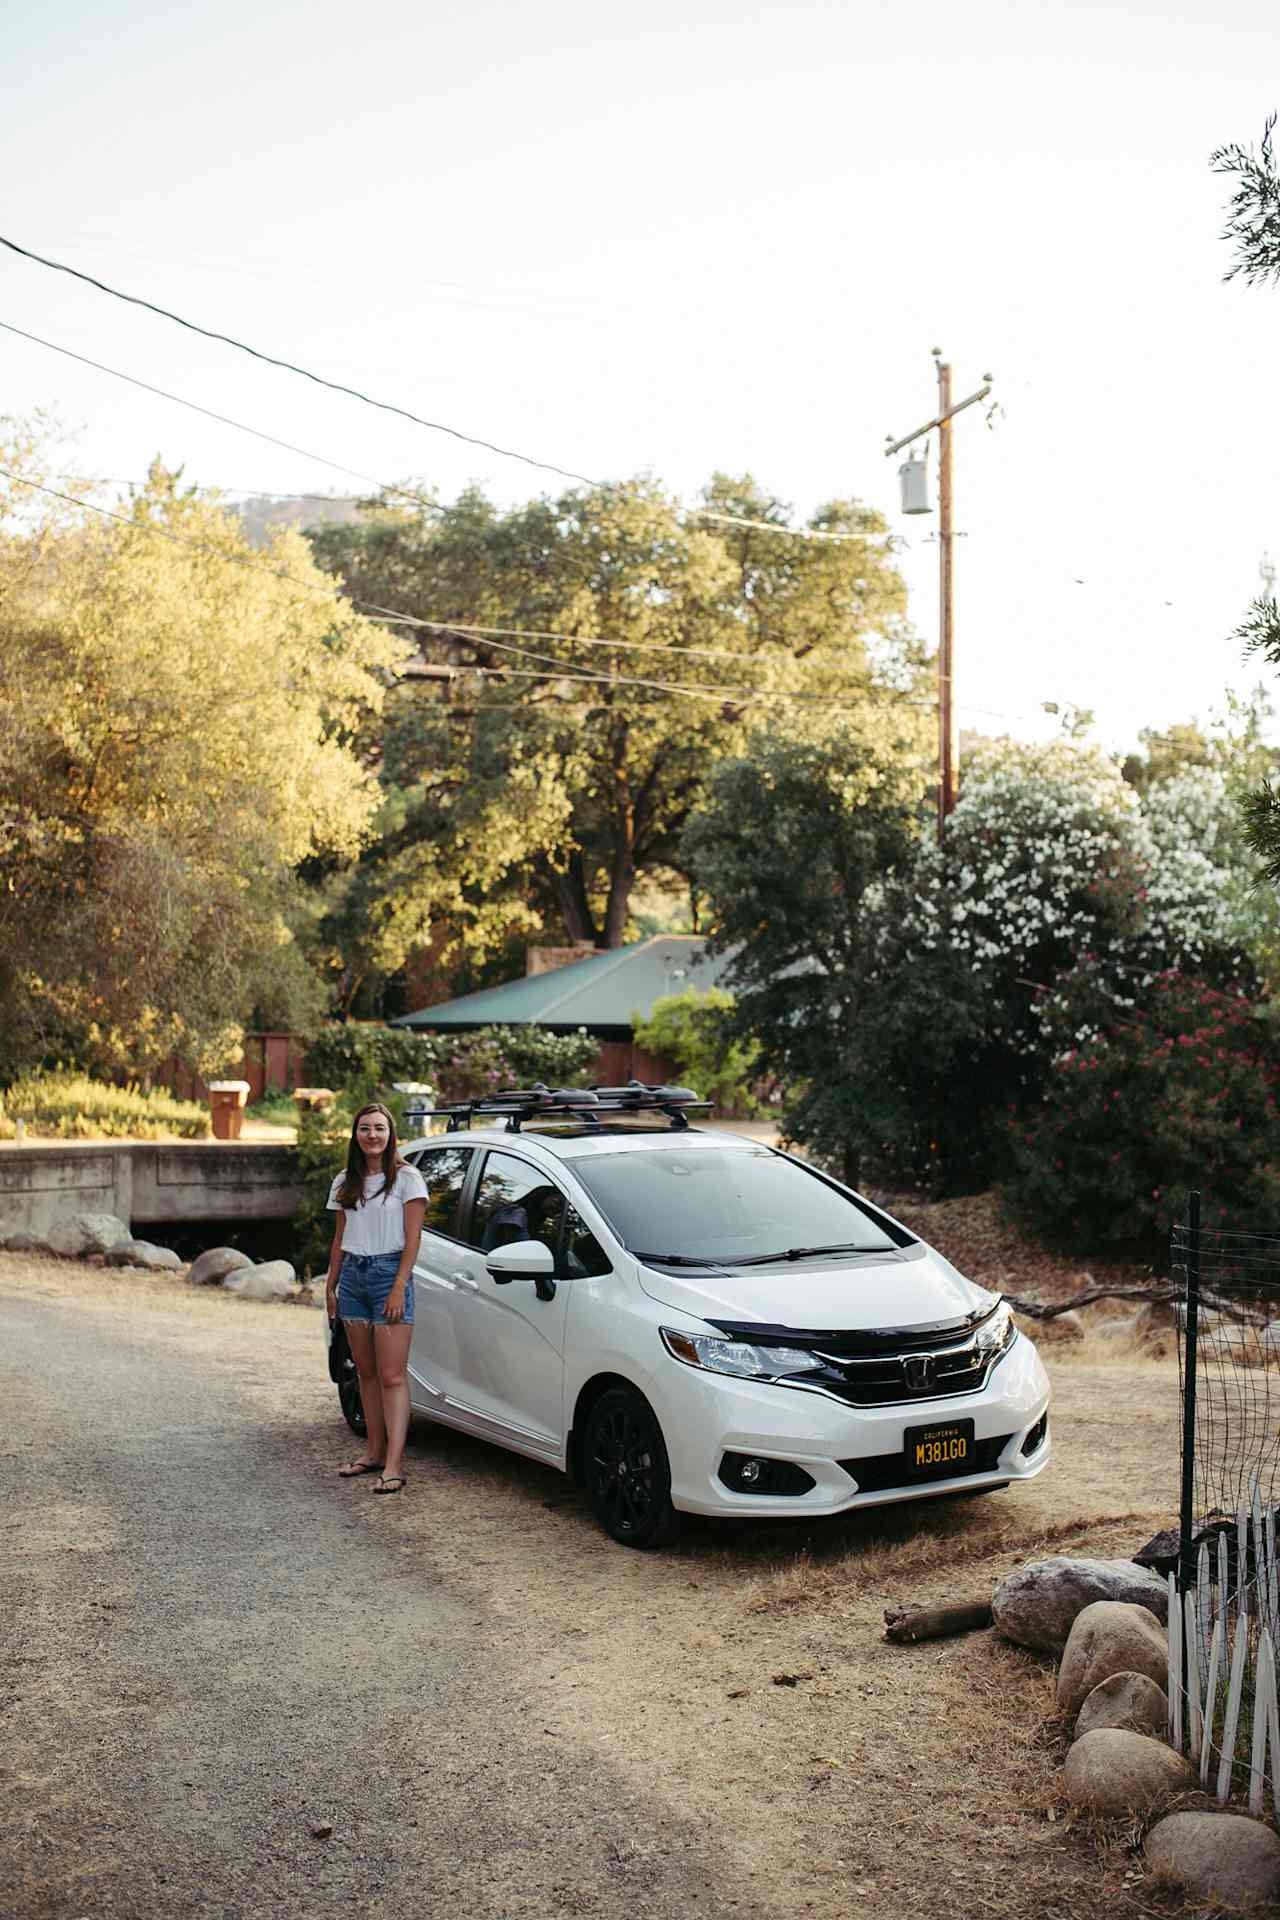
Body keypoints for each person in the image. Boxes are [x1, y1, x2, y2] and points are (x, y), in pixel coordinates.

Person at [323, 1102, 426, 1495]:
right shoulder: (343, 1182)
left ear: (390, 1133)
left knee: (391, 1375)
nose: (372, 1135)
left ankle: (396, 1465)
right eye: (365, 1128)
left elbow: (413, 1239)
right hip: (352, 1277)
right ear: (356, 1134)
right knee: (364, 1373)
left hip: (388, 1276)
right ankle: (374, 1453)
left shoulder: (407, 1179)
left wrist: (400, 1283)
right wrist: (331, 1284)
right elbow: (339, 1238)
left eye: (379, 1128)